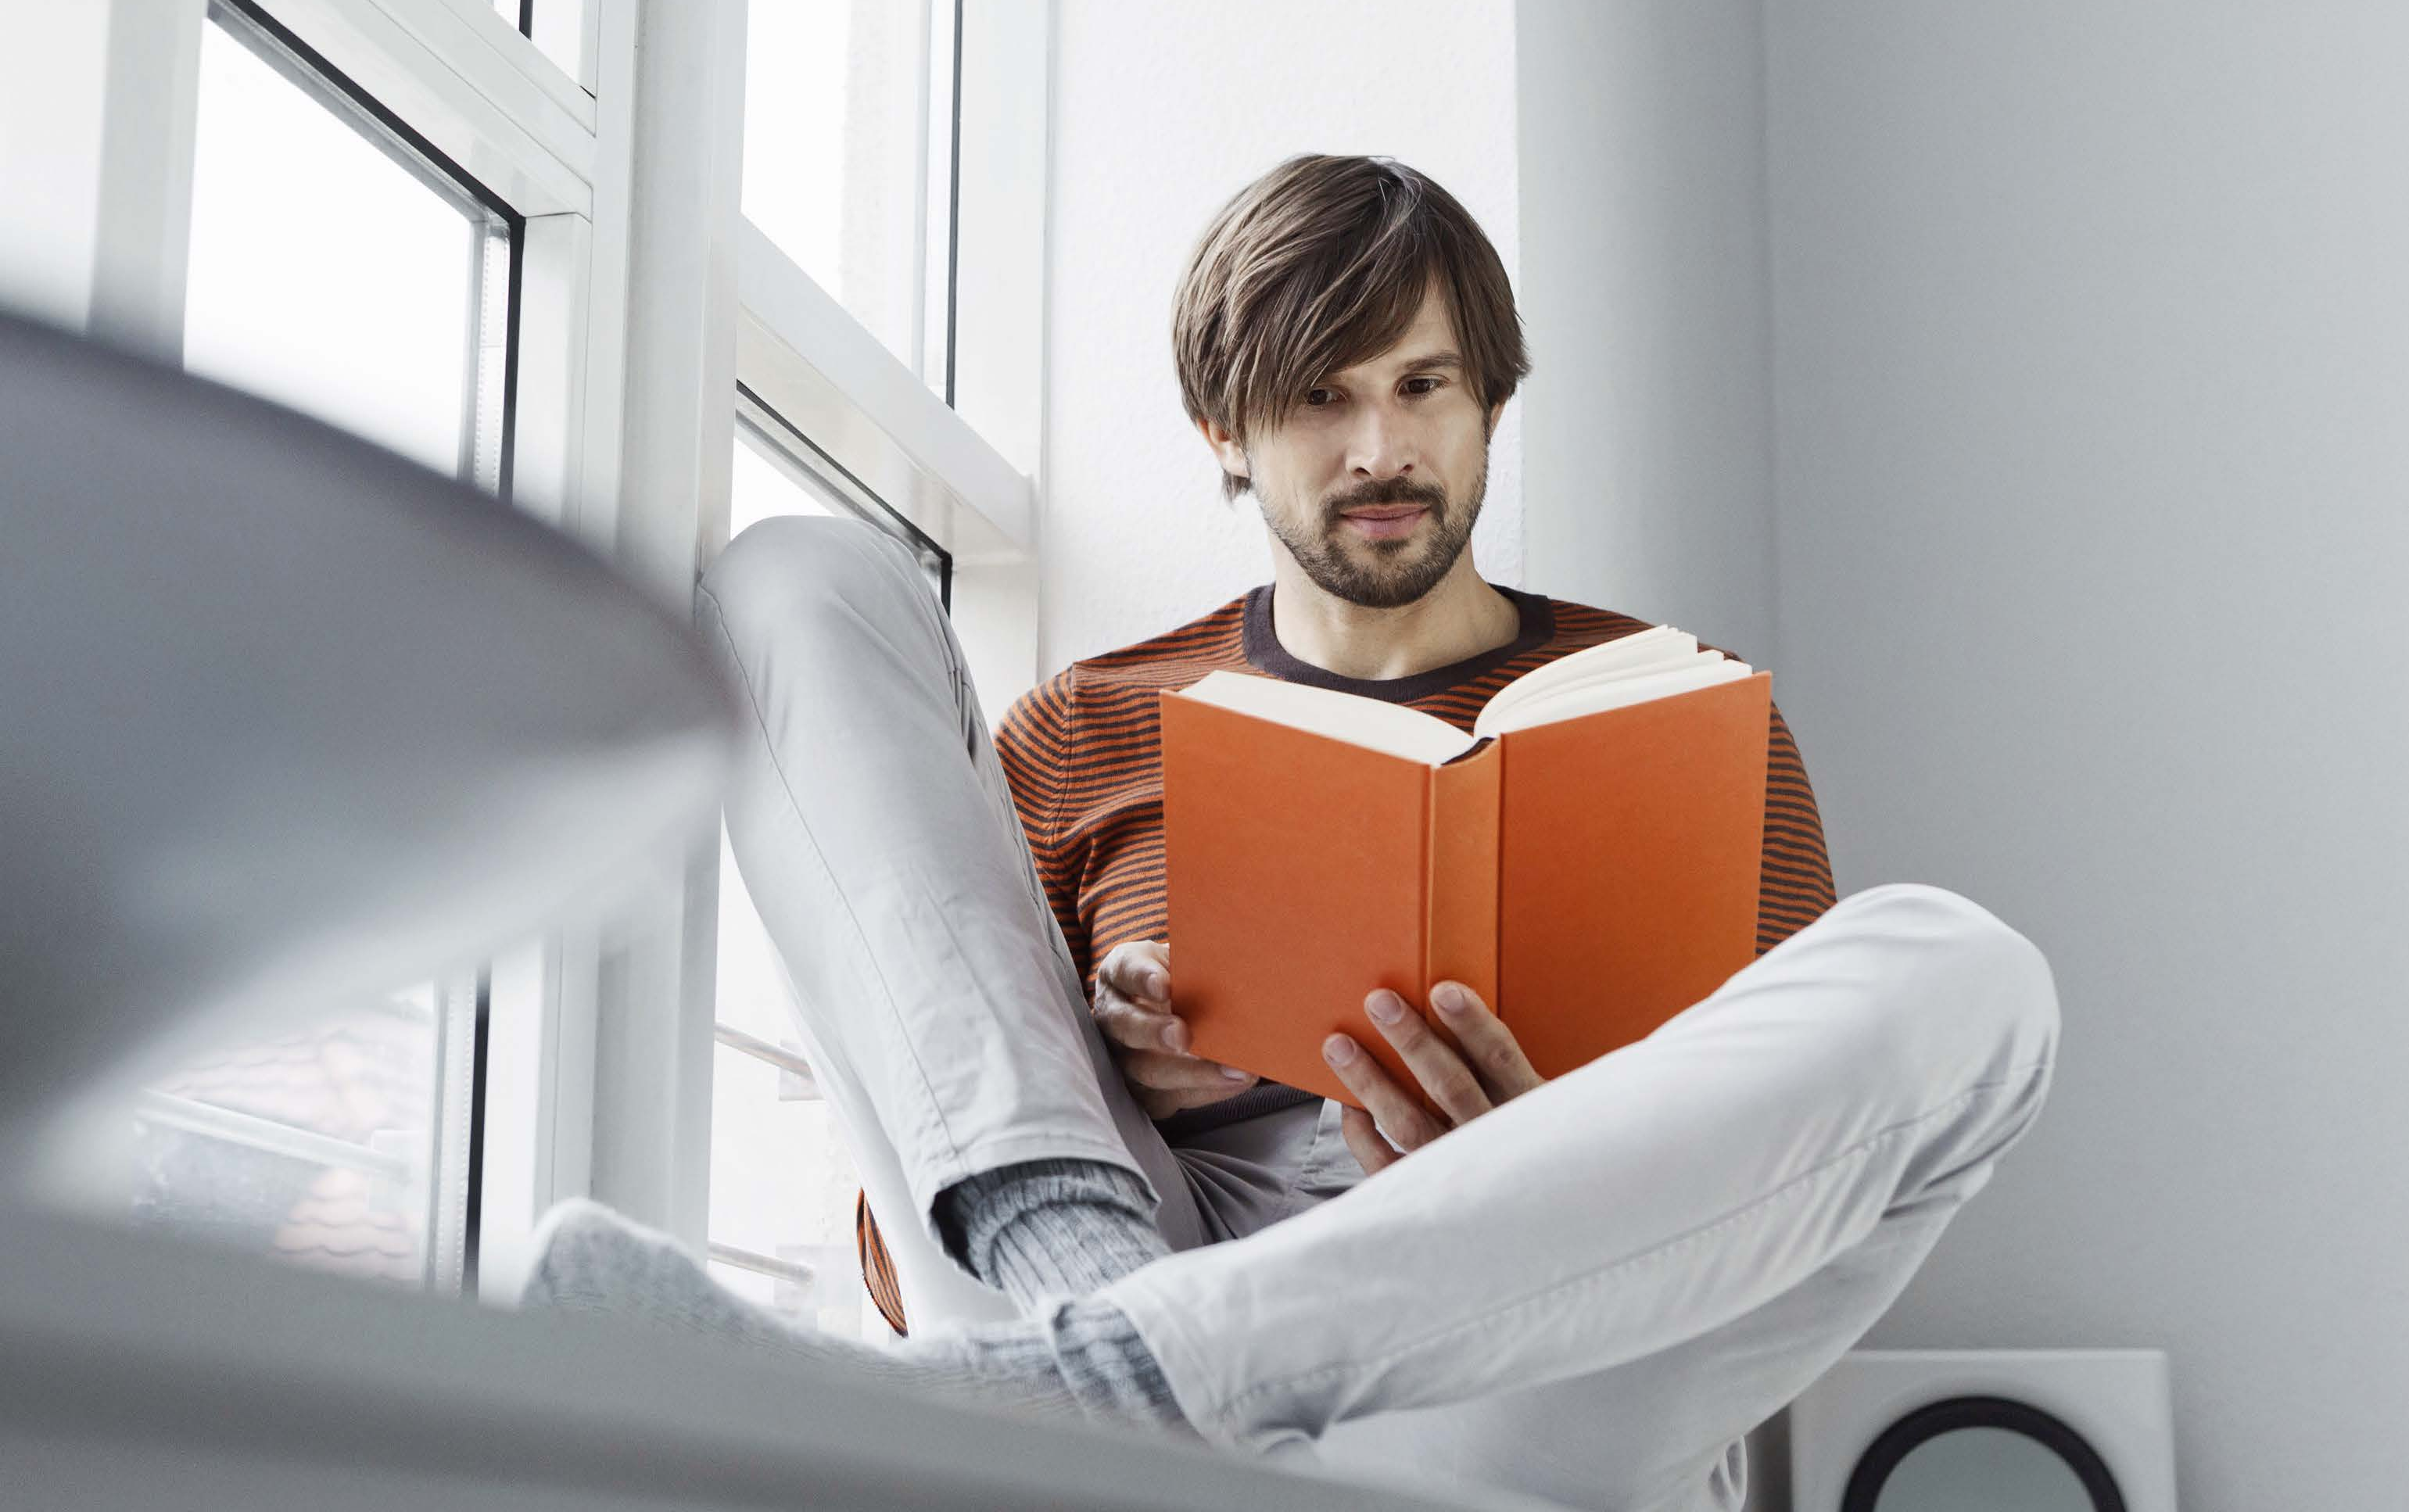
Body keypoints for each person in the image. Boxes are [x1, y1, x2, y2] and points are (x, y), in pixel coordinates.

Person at [522, 155, 2060, 1512]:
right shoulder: (1087, 726)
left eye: (1422, 385)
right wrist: (1116, 1053)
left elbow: (1799, 1189)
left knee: (1965, 969)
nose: (1378, 445)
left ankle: (1122, 1399)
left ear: (1490, 404)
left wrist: (1535, 1150)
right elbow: (911, 1186)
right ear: (1224, 424)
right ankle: (1111, 1354)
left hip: (1522, 1374)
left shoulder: (1671, 714)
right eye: (1319, 395)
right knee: (801, 575)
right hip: (1143, 1249)